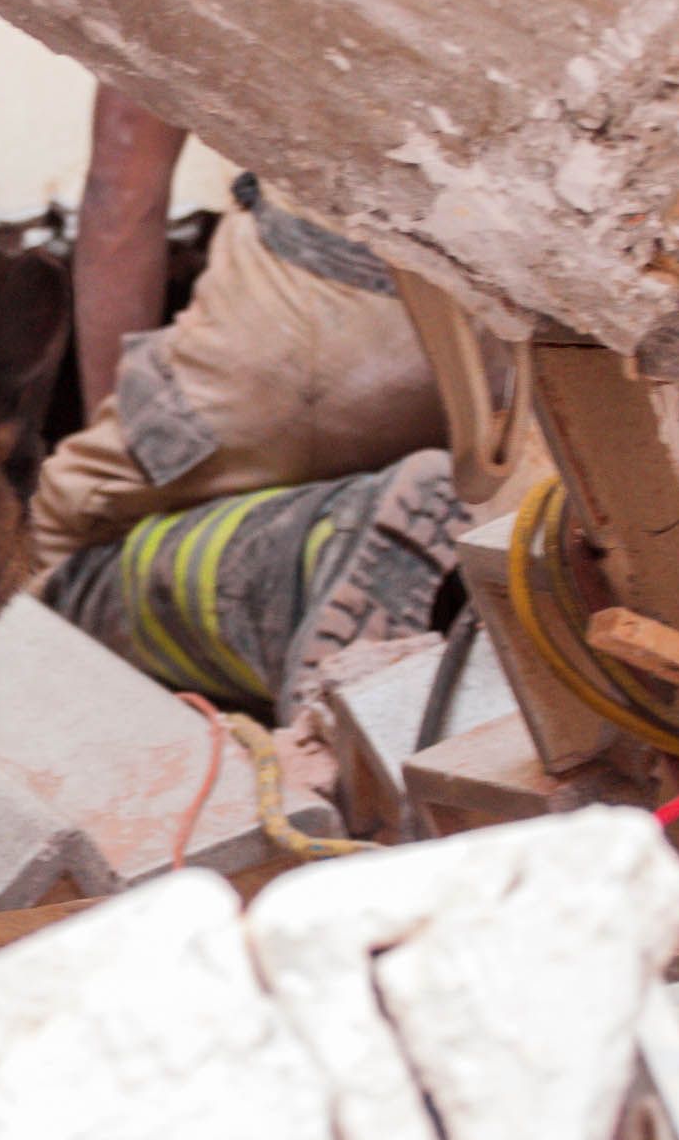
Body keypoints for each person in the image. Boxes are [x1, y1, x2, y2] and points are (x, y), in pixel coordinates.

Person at [29, 90, 460, 717]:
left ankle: (311, 565)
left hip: (301, 326)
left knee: (53, 563)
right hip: (500, 361)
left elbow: (121, 196)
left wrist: (128, 454)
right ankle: (352, 528)